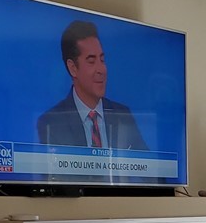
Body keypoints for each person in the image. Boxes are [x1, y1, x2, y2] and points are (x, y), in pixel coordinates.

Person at [36, 20, 147, 150]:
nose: (101, 69)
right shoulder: (52, 122)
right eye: (91, 61)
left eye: (102, 60)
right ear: (73, 68)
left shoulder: (122, 115)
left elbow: (148, 166)